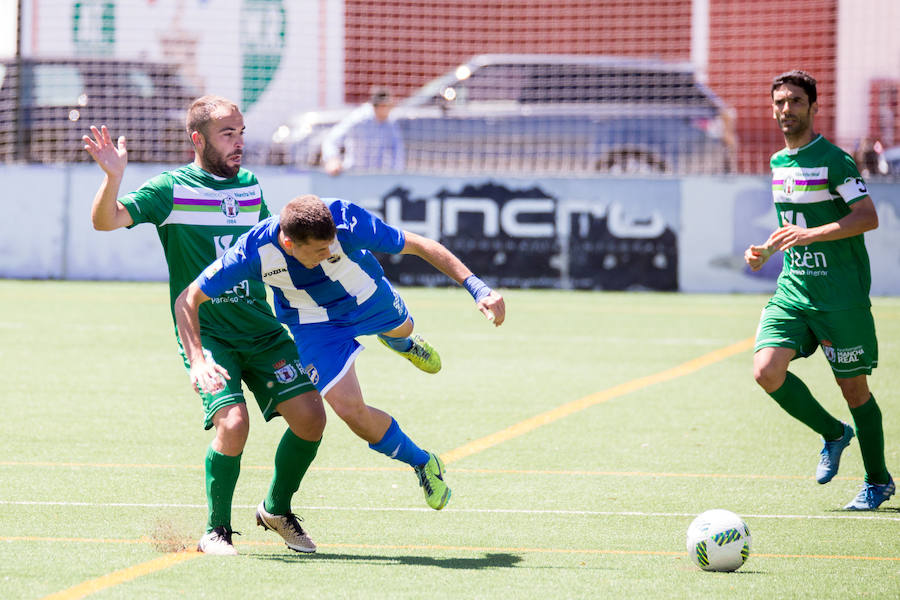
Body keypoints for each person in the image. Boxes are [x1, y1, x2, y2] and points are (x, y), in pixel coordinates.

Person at [82, 95, 328, 555]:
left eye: (241, 133)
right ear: (198, 140)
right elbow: (105, 221)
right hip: (209, 334)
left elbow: (271, 252)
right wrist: (113, 178)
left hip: (261, 328)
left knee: (312, 420)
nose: (238, 144)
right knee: (233, 425)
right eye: (227, 135)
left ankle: (276, 508)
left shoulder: (251, 187)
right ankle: (216, 530)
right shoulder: (169, 189)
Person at [174, 194, 506, 512]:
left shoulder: (346, 220)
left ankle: (401, 342)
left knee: (403, 328)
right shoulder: (251, 252)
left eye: (331, 243)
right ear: (289, 244)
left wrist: (478, 288)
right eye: (320, 249)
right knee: (350, 412)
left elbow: (419, 245)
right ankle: (423, 462)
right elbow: (188, 299)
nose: (330, 251)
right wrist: (198, 361)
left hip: (367, 297)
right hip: (315, 325)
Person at [744, 70, 893, 510]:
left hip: (840, 296)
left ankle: (878, 481)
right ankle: (833, 433)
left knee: (855, 393)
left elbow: (867, 217)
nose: (785, 109)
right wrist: (768, 250)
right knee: (766, 371)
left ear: (812, 106)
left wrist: (812, 237)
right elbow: (793, 223)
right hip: (793, 290)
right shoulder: (777, 163)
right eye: (779, 102)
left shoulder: (836, 160)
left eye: (794, 101)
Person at [321, 87, 405, 175]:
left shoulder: (390, 122)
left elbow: (397, 149)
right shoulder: (359, 119)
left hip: (375, 176)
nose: (391, 109)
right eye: (390, 106)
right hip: (353, 174)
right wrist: (332, 159)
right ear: (381, 105)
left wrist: (396, 173)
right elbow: (331, 139)